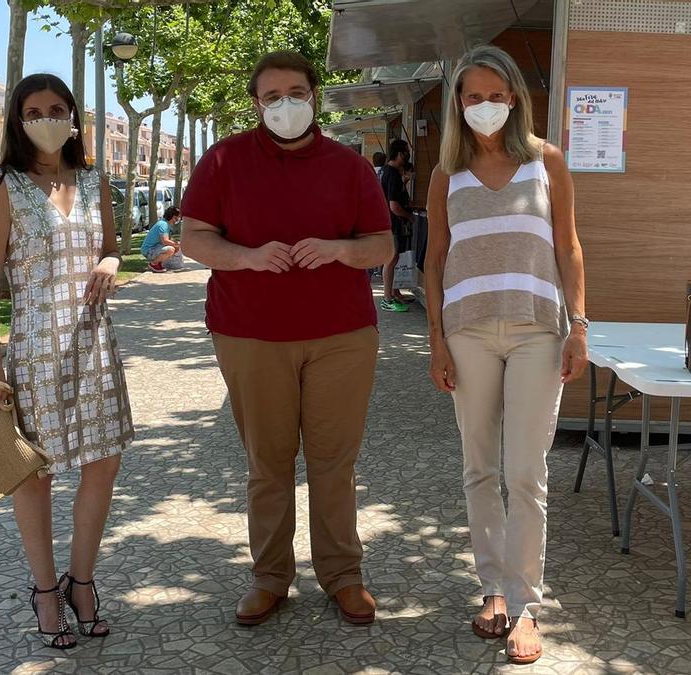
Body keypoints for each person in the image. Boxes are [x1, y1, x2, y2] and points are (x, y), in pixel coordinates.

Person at [181, 50, 394, 627]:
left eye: (295, 93)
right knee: (267, 464)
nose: (285, 105)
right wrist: (248, 258)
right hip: (250, 334)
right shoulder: (224, 160)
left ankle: (343, 575)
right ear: (256, 103)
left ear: (314, 97)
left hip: (341, 337)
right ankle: (270, 577)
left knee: (334, 463)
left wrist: (339, 250)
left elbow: (382, 245)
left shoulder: (349, 167)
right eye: (272, 96)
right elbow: (194, 237)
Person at [423, 45, 588, 665]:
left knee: (525, 471)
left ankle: (526, 606)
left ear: (514, 97)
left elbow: (569, 248)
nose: (484, 106)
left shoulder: (546, 161)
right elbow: (435, 260)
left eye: (495, 95)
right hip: (467, 332)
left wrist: (579, 326)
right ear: (457, 104)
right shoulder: (447, 172)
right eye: (472, 97)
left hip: (537, 332)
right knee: (478, 467)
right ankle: (492, 589)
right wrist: (436, 339)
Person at [0, 73, 135, 650]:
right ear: (18, 120)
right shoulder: (2, 186)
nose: (46, 118)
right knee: (33, 473)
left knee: (103, 465)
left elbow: (113, 247)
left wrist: (112, 264)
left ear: (73, 117)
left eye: (57, 108)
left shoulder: (94, 181)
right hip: (35, 351)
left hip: (94, 345)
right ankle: (45, 589)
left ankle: (82, 581)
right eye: (34, 110)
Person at [379, 138, 416, 312]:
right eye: (406, 151)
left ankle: (393, 292)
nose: (408, 155)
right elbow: (394, 205)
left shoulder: (387, 171)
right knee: (391, 259)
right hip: (392, 223)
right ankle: (387, 298)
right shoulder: (392, 173)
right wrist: (409, 216)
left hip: (387, 222)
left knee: (393, 258)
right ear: (400, 153)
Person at [143, 206, 183, 273]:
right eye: (177, 217)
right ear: (173, 217)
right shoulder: (163, 225)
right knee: (170, 249)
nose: (178, 219)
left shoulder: (166, 224)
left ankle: (159, 263)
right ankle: (153, 264)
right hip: (149, 250)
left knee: (174, 247)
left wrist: (176, 244)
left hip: (155, 248)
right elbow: (165, 241)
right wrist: (178, 244)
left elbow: (169, 239)